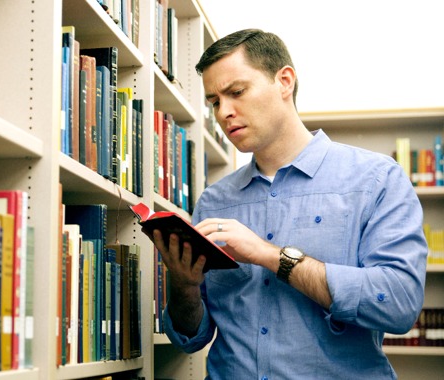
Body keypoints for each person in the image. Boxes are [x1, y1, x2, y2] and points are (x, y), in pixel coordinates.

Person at [145, 28, 428, 379]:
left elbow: (399, 305)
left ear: (285, 81)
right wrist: (184, 285)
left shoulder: (376, 180)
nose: (224, 113)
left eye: (237, 92)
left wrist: (268, 255)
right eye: (215, 102)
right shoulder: (213, 201)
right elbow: (191, 339)